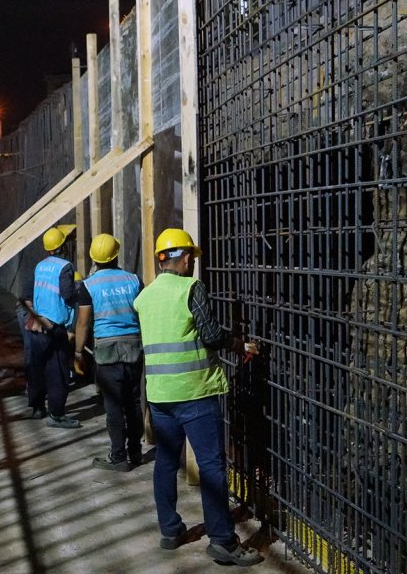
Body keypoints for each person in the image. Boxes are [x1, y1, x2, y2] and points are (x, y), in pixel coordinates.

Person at [133, 228, 263, 566]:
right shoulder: (191, 288)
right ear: (184, 257)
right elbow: (210, 334)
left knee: (164, 461)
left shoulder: (144, 296)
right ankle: (223, 541)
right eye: (190, 255)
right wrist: (239, 344)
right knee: (211, 466)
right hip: (194, 393)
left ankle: (170, 530)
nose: (192, 261)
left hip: (160, 396)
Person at [75, 233, 144, 471]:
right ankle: (136, 452)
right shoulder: (134, 280)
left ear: (95, 258)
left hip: (106, 349)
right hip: (134, 346)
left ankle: (118, 457)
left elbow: (83, 323)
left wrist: (77, 352)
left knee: (114, 404)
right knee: (133, 401)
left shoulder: (88, 285)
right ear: (116, 254)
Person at [23, 224, 89, 429]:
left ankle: (36, 407)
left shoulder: (39, 266)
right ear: (62, 246)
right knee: (57, 371)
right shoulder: (65, 267)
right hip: (54, 328)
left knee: (36, 368)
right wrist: (81, 289)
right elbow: (67, 294)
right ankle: (57, 414)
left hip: (36, 324)